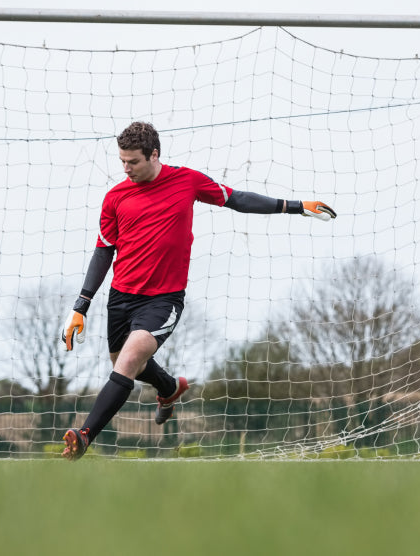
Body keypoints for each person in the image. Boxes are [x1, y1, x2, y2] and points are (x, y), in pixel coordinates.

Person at [59, 121, 336, 460]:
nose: (126, 169)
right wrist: (81, 306)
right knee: (122, 360)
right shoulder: (115, 197)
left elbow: (236, 199)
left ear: (154, 154)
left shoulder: (187, 181)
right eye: (122, 162)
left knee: (129, 360)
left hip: (163, 299)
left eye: (133, 161)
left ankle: (84, 436)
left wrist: (294, 205)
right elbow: (104, 250)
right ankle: (170, 387)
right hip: (121, 297)